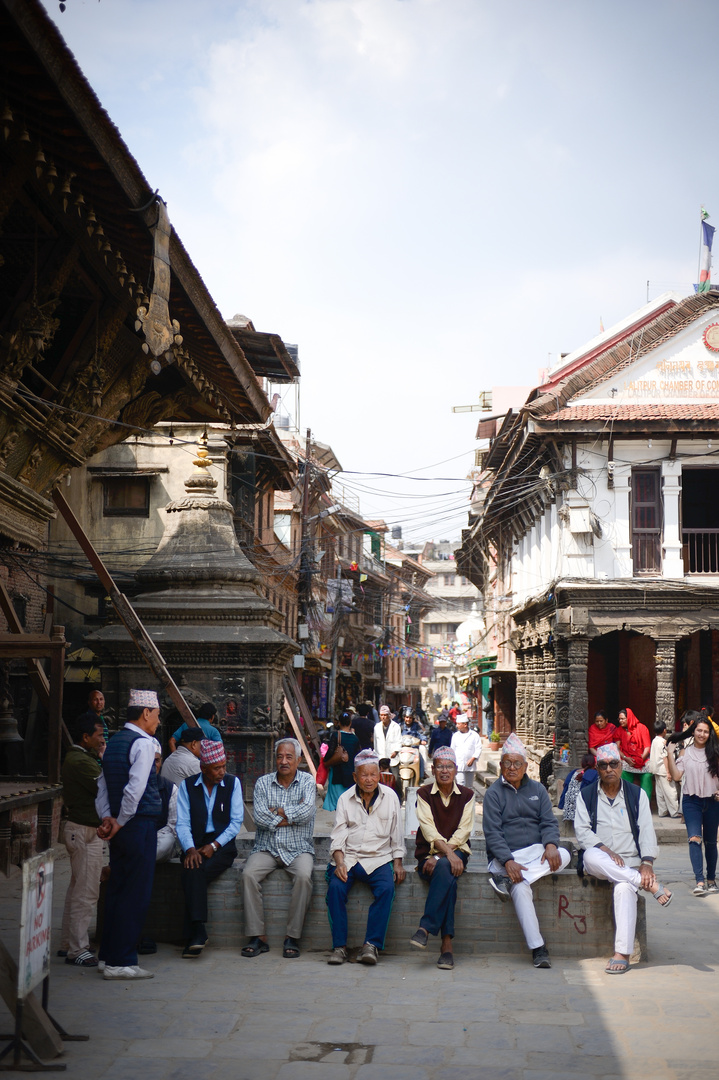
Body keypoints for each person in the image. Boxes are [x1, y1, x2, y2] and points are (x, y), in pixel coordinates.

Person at [574, 742, 673, 974]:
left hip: (629, 862)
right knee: (589, 855)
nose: (609, 769)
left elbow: (647, 830)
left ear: (621, 766)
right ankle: (648, 885)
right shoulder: (586, 795)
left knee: (623, 888)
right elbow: (582, 831)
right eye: (603, 765)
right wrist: (606, 851)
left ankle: (622, 953)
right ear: (597, 769)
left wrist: (646, 864)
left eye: (613, 764)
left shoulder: (636, 794)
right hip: (600, 858)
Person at [482, 732, 571, 968]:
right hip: (507, 857)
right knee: (521, 890)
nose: (512, 768)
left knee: (565, 855)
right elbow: (493, 833)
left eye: (517, 763)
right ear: (501, 765)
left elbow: (549, 822)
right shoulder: (493, 794)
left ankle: (507, 880)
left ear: (526, 766)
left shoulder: (538, 790)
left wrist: (551, 844)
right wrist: (508, 862)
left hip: (535, 854)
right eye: (508, 763)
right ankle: (538, 948)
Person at [96, 689, 163, 980]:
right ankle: (121, 960)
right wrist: (120, 821)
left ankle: (108, 955)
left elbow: (101, 788)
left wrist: (107, 820)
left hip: (120, 827)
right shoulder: (144, 743)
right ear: (146, 713)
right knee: (135, 893)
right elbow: (135, 790)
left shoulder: (114, 743)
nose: (158, 722)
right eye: (157, 716)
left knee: (117, 889)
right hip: (137, 825)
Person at [326, 749, 406, 966]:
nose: (369, 779)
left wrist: (398, 862)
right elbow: (338, 835)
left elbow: (397, 833)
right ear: (355, 777)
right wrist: (340, 862)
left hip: (379, 858)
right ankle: (339, 947)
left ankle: (371, 945)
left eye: (373, 774)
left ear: (379, 774)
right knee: (335, 888)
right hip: (349, 858)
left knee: (387, 889)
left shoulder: (391, 797)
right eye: (364, 775)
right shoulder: (344, 799)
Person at [241, 738, 316, 959]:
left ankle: (292, 937)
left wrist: (279, 811)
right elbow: (260, 818)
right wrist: (291, 815)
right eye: (280, 756)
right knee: (247, 875)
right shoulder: (263, 783)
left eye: (289, 757)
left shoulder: (307, 782)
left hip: (299, 847)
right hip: (267, 848)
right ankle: (258, 937)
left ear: (298, 760)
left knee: (304, 876)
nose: (283, 761)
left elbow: (307, 813)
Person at [176, 740, 244, 957]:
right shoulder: (187, 786)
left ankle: (195, 932)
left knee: (194, 873)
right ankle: (197, 932)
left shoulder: (233, 784)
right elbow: (182, 823)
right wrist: (190, 849)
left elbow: (236, 822)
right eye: (217, 768)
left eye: (224, 766)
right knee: (192, 866)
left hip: (223, 845)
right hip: (195, 844)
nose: (222, 772)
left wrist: (214, 846)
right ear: (203, 768)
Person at [410, 746, 475, 970]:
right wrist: (445, 855)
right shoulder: (424, 794)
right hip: (431, 855)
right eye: (440, 767)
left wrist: (440, 856)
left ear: (456, 770)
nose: (444, 771)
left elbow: (463, 831)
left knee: (445, 866)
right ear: (433, 769)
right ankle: (446, 945)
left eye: (449, 767)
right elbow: (428, 831)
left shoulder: (467, 795)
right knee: (449, 876)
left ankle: (425, 928)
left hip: (455, 852)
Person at [58, 713, 105, 967]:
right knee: (86, 893)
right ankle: (78, 948)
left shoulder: (80, 758)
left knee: (77, 890)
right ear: (85, 737)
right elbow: (104, 786)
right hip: (85, 832)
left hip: (81, 830)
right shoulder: (80, 761)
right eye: (98, 736)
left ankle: (67, 943)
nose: (101, 740)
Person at [665, 711, 719, 896]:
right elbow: (678, 776)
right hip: (691, 802)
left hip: (712, 802)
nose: (702, 734)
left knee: (711, 843)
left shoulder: (715, 753)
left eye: (705, 731)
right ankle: (700, 881)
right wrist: (670, 755)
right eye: (699, 730)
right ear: (693, 731)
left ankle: (711, 879)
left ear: (709, 733)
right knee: (694, 839)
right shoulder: (685, 752)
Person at [322, 711, 361, 811]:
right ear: (350, 723)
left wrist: (325, 761)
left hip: (337, 773)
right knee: (349, 803)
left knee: (338, 802)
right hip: (350, 775)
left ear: (339, 723)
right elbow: (358, 756)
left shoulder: (336, 735)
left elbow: (330, 752)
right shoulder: (355, 738)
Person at [616, 707, 652, 797]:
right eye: (619, 719)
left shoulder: (642, 728)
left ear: (629, 718)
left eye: (623, 719)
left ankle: (645, 801)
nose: (620, 721)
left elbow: (647, 748)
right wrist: (625, 758)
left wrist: (640, 760)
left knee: (647, 775)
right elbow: (617, 748)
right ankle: (626, 799)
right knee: (623, 771)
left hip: (642, 758)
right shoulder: (619, 730)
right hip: (627, 758)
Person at [649, 721, 681, 819]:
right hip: (663, 770)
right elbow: (665, 757)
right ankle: (674, 812)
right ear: (664, 730)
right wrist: (668, 772)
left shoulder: (654, 741)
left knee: (660, 792)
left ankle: (662, 811)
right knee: (670, 791)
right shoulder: (663, 742)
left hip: (656, 770)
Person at [560, 754, 598, 821]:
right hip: (581, 808)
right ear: (594, 764)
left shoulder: (573, 772)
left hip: (568, 810)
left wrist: (561, 805)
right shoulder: (594, 774)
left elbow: (565, 788)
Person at [451, 714, 482, 789]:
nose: (457, 725)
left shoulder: (474, 735)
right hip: (458, 764)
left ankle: (469, 800)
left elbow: (478, 748)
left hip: (470, 765)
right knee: (460, 784)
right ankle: (461, 800)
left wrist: (473, 758)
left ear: (465, 724)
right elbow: (452, 750)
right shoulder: (455, 736)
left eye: (458, 724)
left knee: (469, 786)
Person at [374, 705, 402, 785]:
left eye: (385, 715)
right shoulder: (377, 727)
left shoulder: (396, 727)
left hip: (392, 757)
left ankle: (399, 796)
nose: (383, 717)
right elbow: (376, 743)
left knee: (395, 779)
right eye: (382, 715)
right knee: (380, 779)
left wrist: (396, 751)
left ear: (389, 716)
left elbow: (399, 740)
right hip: (381, 757)